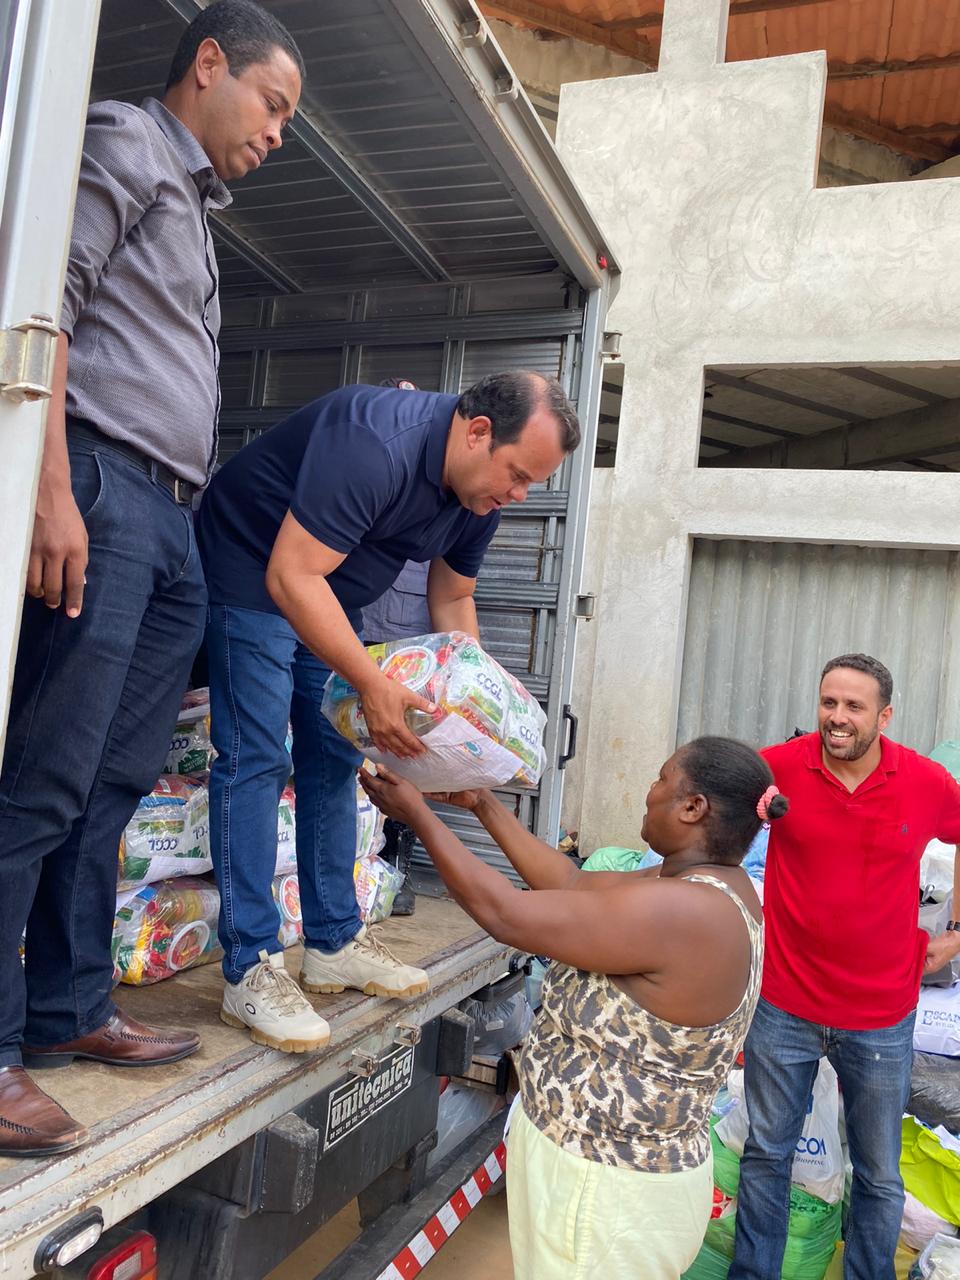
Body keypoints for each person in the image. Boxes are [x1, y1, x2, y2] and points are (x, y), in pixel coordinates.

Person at [0, 0, 303, 1156]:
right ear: (210, 65)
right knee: (42, 777)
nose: (277, 133)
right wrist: (49, 487)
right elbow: (45, 297)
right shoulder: (128, 141)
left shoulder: (196, 205)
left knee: (111, 784)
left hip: (169, 515)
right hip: (105, 485)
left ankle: (70, 1010)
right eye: (272, 105)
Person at [196, 371, 580, 1055]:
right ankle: (250, 967)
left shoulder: (477, 496)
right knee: (258, 753)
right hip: (255, 567)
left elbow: (454, 600)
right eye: (518, 474)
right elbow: (290, 575)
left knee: (335, 754)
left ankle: (333, 941)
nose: (517, 496)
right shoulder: (376, 443)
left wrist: (474, 717)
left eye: (531, 486)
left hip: (328, 587)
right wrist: (372, 681)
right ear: (478, 431)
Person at [359, 736, 779, 1280]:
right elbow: (572, 882)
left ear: (693, 807)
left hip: (607, 1194)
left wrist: (416, 814)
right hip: (609, 1183)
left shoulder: (686, 909)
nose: (648, 793)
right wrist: (482, 804)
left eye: (661, 779)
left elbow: (504, 912)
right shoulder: (705, 884)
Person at [730, 654, 960, 1280]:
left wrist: (956, 934)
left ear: (884, 716)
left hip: (881, 1013)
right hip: (785, 1003)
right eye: (829, 702)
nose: (837, 717)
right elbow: (710, 801)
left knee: (879, 1172)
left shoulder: (924, 780)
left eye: (854, 706)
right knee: (767, 1157)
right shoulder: (779, 766)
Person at [362, 378, 430, 918]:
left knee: (401, 768)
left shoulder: (437, 502)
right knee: (341, 767)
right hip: (351, 648)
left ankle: (391, 867)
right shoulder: (367, 473)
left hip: (408, 660)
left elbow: (451, 592)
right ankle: (351, 868)